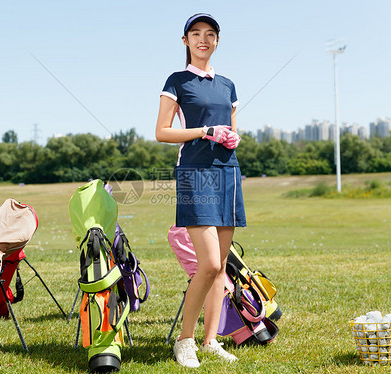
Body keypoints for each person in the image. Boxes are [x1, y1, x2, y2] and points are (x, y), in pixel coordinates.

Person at [155, 13, 246, 368]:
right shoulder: (177, 80)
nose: (203, 40)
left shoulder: (228, 85)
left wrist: (232, 135)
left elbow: (233, 130)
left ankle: (211, 341)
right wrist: (204, 131)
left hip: (227, 172)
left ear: (217, 41)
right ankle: (185, 340)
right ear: (185, 41)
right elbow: (162, 131)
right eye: (196, 34)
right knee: (207, 265)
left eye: (210, 34)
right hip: (194, 174)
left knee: (221, 266)